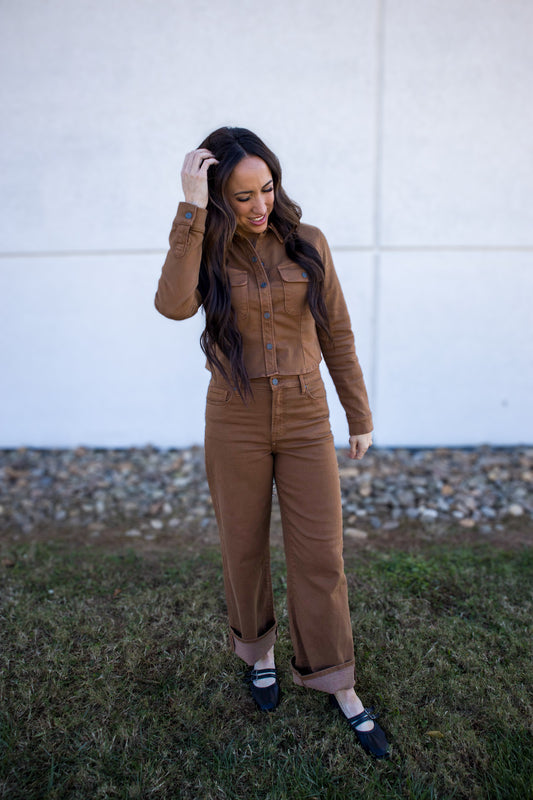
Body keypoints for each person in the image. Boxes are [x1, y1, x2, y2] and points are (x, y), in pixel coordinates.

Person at [154, 127, 389, 758]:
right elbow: (173, 306)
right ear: (216, 197)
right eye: (240, 196)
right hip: (235, 417)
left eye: (267, 188)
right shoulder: (204, 247)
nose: (259, 206)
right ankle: (258, 654)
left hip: (307, 415)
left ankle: (338, 682)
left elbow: (337, 332)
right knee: (243, 546)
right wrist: (191, 209)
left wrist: (357, 414)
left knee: (321, 555)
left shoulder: (308, 243)